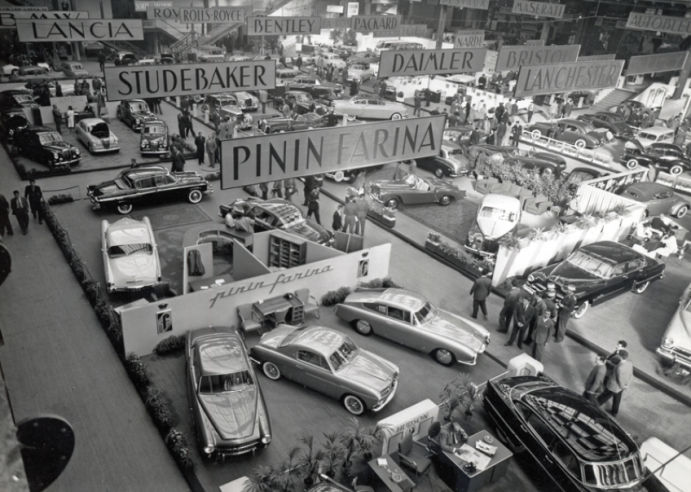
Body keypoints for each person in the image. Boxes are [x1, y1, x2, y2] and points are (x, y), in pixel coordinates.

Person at [597, 350, 633, 417]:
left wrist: (622, 386)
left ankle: (595, 405)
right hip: (622, 386)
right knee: (617, 399)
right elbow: (631, 375)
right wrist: (626, 385)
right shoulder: (630, 363)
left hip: (614, 386)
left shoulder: (620, 368)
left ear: (621, 357)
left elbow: (619, 379)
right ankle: (614, 412)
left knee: (604, 396)